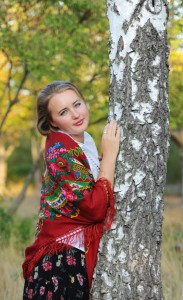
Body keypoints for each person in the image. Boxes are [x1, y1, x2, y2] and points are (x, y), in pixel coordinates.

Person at [22, 81, 120, 300]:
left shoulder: (84, 141)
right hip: (60, 264)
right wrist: (110, 156)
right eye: (64, 112)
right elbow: (93, 207)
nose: (76, 114)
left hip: (73, 256)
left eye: (77, 104)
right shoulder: (60, 152)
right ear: (52, 122)